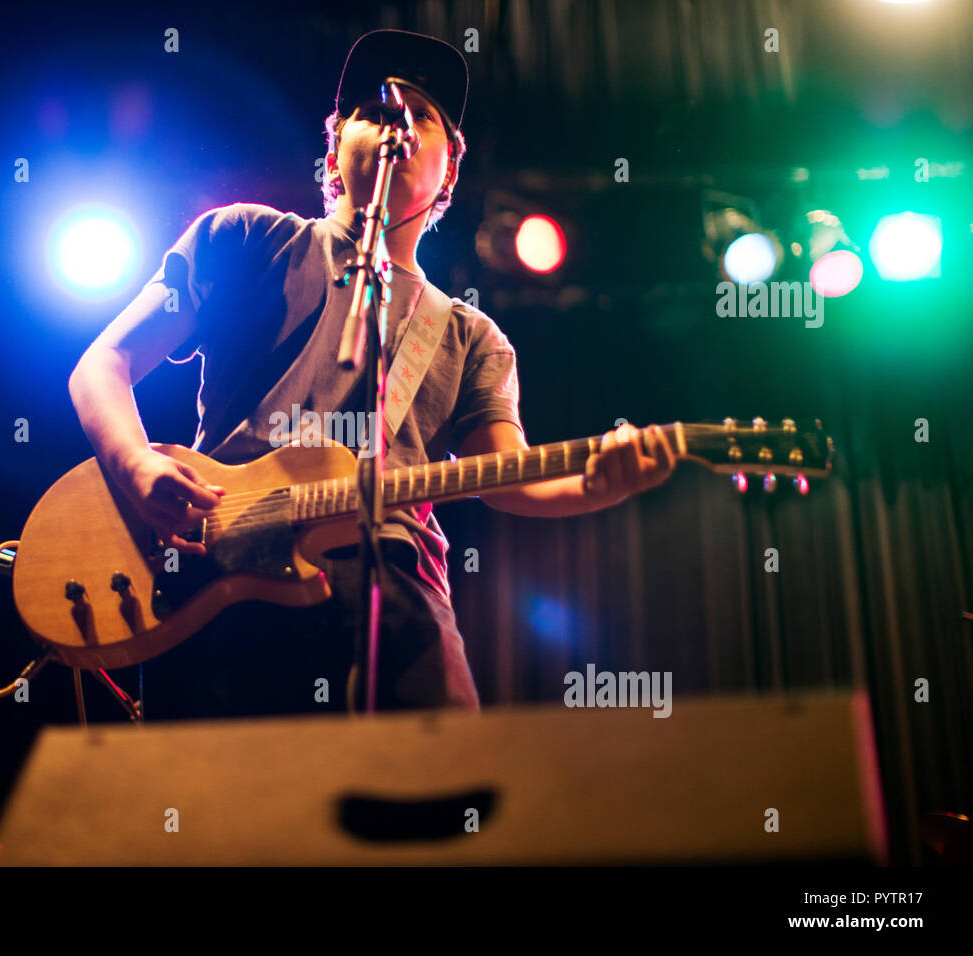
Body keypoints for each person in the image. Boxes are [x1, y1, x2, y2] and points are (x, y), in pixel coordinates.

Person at [68, 29, 677, 721]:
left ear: (449, 173)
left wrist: (597, 484)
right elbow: (105, 362)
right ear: (333, 152)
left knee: (433, 798)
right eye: (378, 111)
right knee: (217, 812)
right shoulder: (243, 238)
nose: (400, 128)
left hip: (394, 584)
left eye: (422, 118)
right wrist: (135, 467)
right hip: (220, 571)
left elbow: (507, 477)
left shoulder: (469, 335)